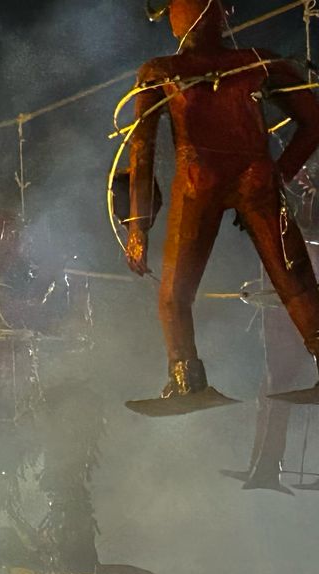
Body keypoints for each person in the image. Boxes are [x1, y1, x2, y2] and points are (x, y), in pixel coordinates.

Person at [123, 0, 319, 411]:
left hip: (201, 184)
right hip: (253, 181)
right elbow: (313, 122)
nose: (170, 24)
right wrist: (277, 173)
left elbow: (141, 151)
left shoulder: (162, 71)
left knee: (175, 293)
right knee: (295, 278)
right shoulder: (256, 63)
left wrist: (137, 227)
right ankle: (187, 380)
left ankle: (186, 378)